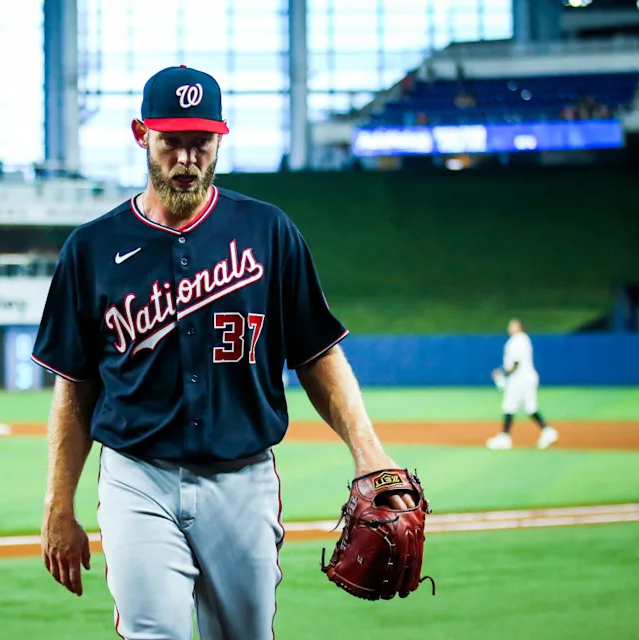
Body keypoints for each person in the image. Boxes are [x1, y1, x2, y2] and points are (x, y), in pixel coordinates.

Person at [31, 65, 416, 640]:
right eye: (171, 143)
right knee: (154, 631)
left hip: (243, 478)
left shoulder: (269, 231)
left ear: (220, 138)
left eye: (200, 143)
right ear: (142, 136)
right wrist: (58, 502)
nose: (186, 159)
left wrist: (371, 453)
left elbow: (317, 352)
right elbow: (75, 385)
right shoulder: (91, 248)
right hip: (137, 476)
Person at [487, 319, 557, 450]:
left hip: (519, 379)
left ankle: (504, 438)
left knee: (509, 406)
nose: (509, 327)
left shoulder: (517, 340)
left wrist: (502, 372)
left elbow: (515, 364)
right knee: (530, 408)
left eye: (512, 325)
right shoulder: (523, 339)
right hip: (527, 377)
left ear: (519, 327)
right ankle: (548, 432)